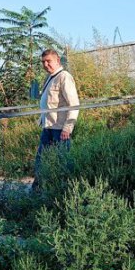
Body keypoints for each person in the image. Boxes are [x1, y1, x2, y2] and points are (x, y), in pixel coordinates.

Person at [33, 49, 80, 183]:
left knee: (62, 160)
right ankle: (38, 189)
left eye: (49, 61)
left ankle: (66, 189)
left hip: (60, 129)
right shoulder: (50, 77)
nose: (46, 65)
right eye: (43, 62)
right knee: (41, 159)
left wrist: (68, 127)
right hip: (48, 126)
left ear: (57, 60)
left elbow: (74, 104)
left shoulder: (64, 76)